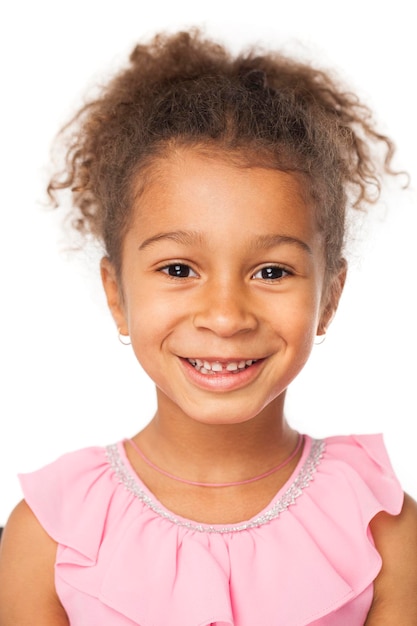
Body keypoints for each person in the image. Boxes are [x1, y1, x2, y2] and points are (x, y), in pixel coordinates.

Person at [0, 29, 416, 625]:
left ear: (330, 297)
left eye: (272, 270)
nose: (225, 316)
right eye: (178, 268)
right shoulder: (49, 533)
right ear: (116, 294)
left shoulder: (382, 526)